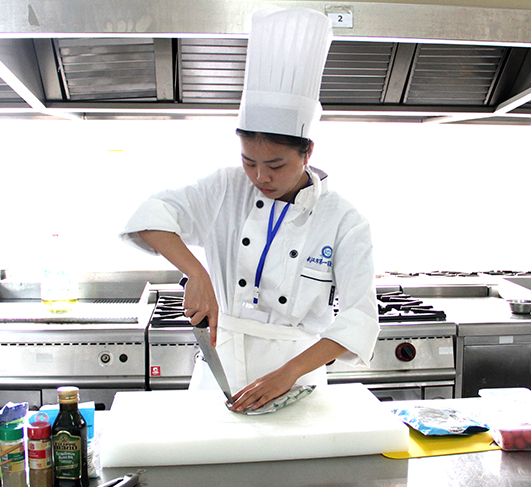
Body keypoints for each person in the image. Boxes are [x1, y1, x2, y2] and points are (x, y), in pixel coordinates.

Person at [120, 8, 379, 412]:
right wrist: (197, 273)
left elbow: (359, 318)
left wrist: (287, 373)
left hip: (297, 375)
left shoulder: (344, 221)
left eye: (275, 165)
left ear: (307, 152)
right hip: (221, 367)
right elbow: (149, 217)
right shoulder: (225, 187)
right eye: (248, 161)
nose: (260, 177)